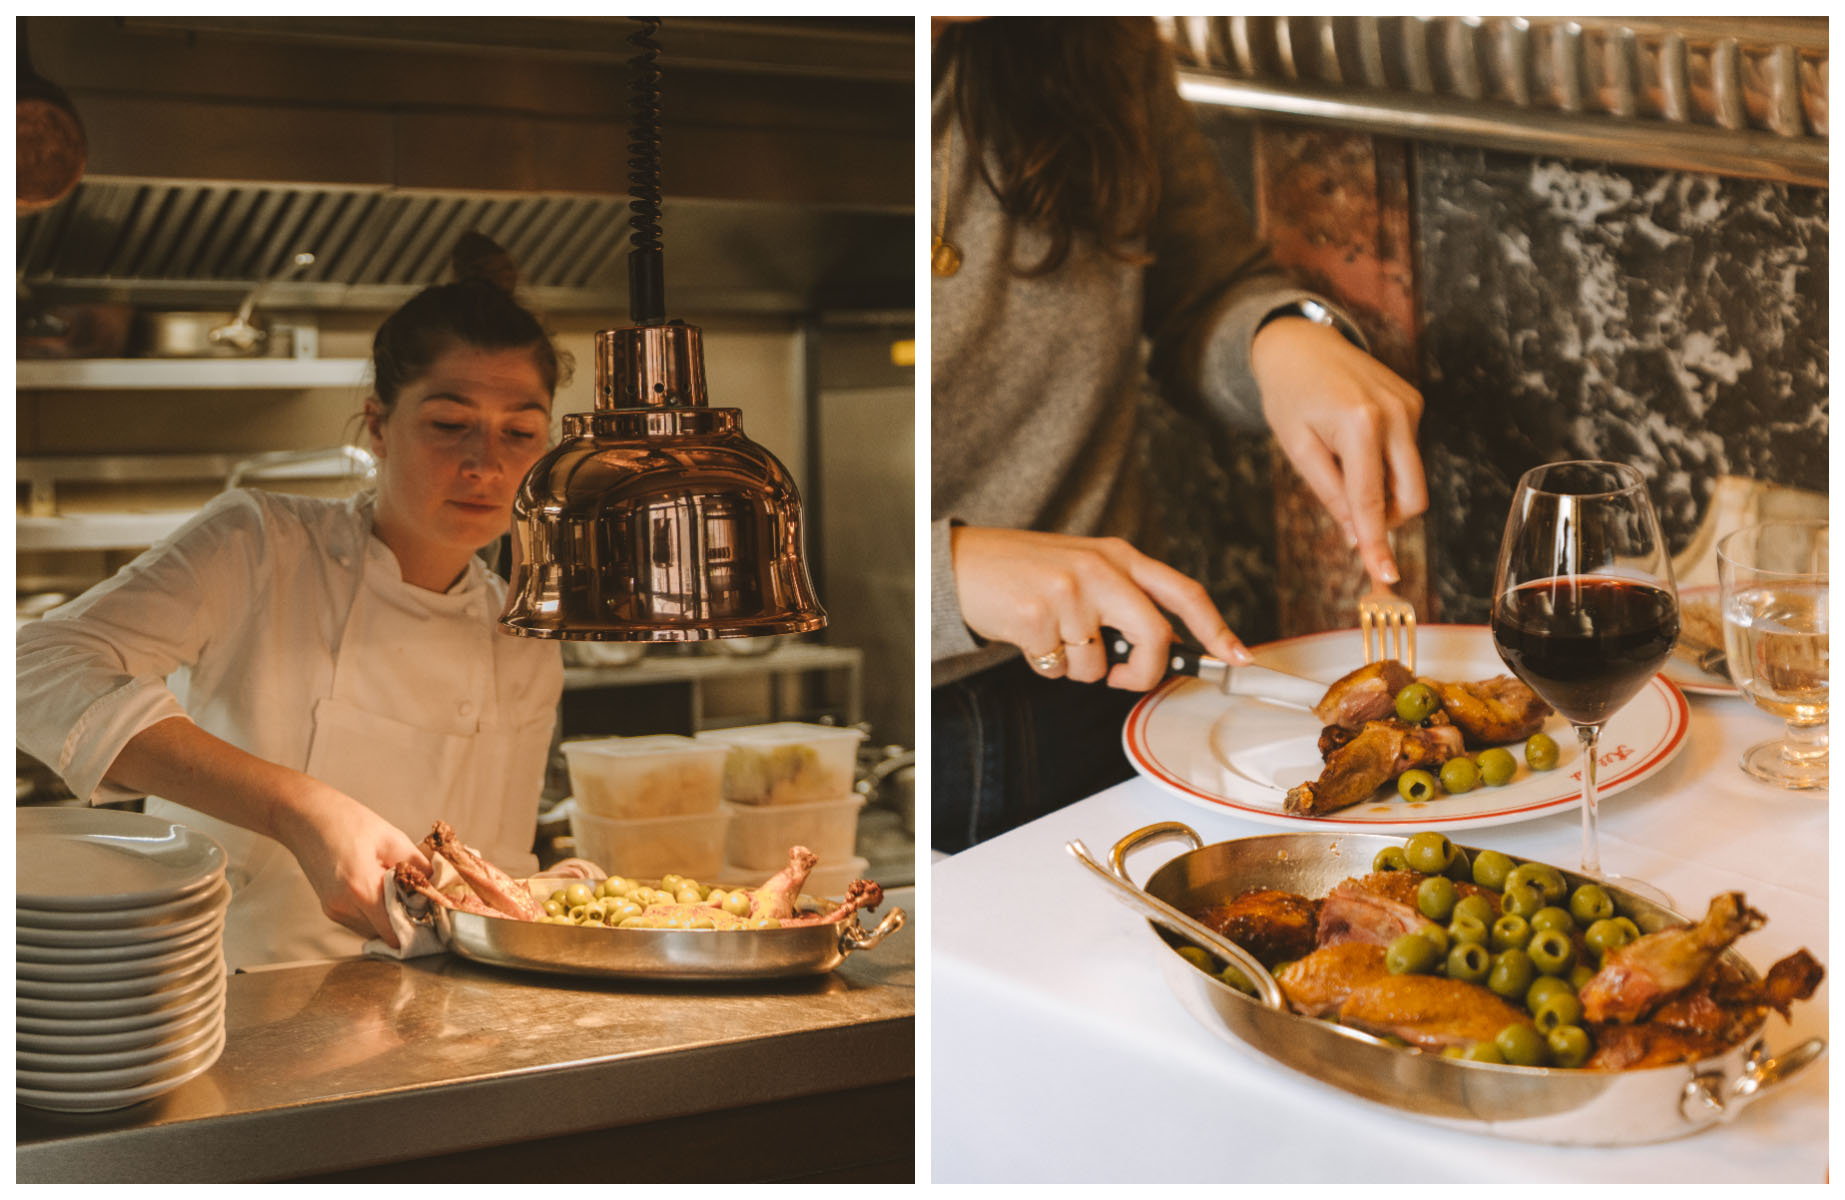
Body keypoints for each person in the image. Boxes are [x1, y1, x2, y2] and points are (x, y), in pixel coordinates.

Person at [931, 17, 1427, 852]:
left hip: (1118, 680)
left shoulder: (1097, 42)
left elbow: (1205, 286)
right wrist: (942, 577)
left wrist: (1279, 337)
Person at [16, 233, 569, 968]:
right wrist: (299, 807)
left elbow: (492, 880)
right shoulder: (259, 545)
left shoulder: (521, 632)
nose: (485, 463)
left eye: (520, 432)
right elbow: (32, 669)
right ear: (378, 425)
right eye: (448, 423)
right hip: (223, 993)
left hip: (432, 1009)